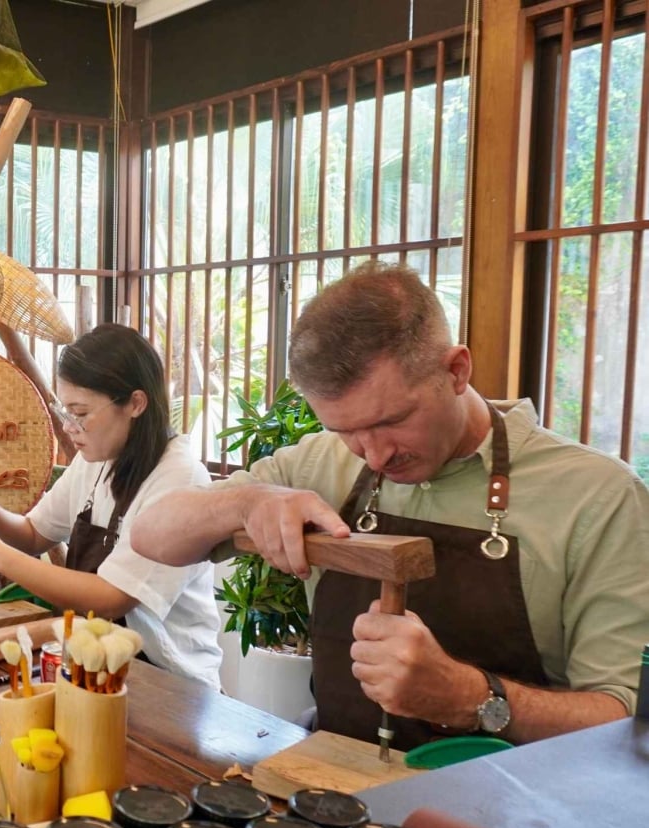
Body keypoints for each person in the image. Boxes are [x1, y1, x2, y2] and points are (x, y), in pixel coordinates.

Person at [131, 262, 649, 748]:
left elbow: (628, 721)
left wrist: (472, 698)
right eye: (346, 430)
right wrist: (246, 501)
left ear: (457, 370)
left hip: (512, 807)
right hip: (335, 783)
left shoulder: (595, 496)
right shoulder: (320, 464)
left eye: (392, 421)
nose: (375, 454)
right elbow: (151, 534)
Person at [0, 323, 224, 689]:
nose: (71, 427)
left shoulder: (179, 478)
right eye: (66, 412)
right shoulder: (97, 459)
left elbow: (112, 598)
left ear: (135, 404)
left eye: (81, 413)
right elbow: (34, 534)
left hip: (171, 681)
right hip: (95, 663)